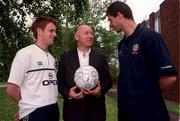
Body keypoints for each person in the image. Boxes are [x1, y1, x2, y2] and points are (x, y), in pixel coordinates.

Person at [106, 1, 177, 121]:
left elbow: (169, 78)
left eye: (110, 20)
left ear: (119, 15)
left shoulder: (150, 37)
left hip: (148, 113)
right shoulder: (122, 45)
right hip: (126, 113)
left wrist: (148, 95)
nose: (110, 25)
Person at [6, 17, 60, 121]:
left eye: (55, 31)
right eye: (51, 31)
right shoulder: (24, 54)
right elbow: (11, 89)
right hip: (35, 113)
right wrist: (26, 106)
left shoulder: (52, 58)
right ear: (39, 31)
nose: (55, 34)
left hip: (53, 108)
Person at [57, 24, 112, 121]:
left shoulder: (101, 57)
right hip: (72, 111)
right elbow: (60, 82)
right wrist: (69, 94)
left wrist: (99, 91)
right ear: (76, 37)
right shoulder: (65, 58)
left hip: (96, 112)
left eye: (91, 33)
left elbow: (108, 80)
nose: (90, 36)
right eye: (86, 33)